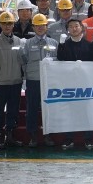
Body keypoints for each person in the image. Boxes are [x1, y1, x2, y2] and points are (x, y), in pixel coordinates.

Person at [56, 18, 93, 151]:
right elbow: (60, 59)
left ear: (82, 28)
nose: (74, 29)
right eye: (71, 27)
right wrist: (61, 45)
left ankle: (88, 138)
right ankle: (69, 139)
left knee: (86, 112)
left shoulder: (89, 45)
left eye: (76, 26)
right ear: (68, 30)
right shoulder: (64, 45)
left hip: (85, 84)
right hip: (69, 85)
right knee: (70, 113)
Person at [0, 11, 24, 150]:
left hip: (15, 82)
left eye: (10, 23)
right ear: (0, 25)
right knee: (0, 111)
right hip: (1, 83)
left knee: (13, 110)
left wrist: (23, 77)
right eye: (4, 23)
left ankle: (10, 136)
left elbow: (22, 60)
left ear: (13, 25)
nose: (7, 26)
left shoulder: (19, 41)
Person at [20, 14, 58, 147]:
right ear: (33, 27)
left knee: (49, 109)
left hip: (49, 82)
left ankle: (48, 135)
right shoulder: (27, 44)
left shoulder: (54, 43)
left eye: (43, 25)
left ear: (47, 27)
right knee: (32, 109)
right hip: (33, 80)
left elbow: (58, 61)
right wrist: (25, 79)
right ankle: (33, 136)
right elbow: (23, 62)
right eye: (37, 25)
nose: (40, 28)